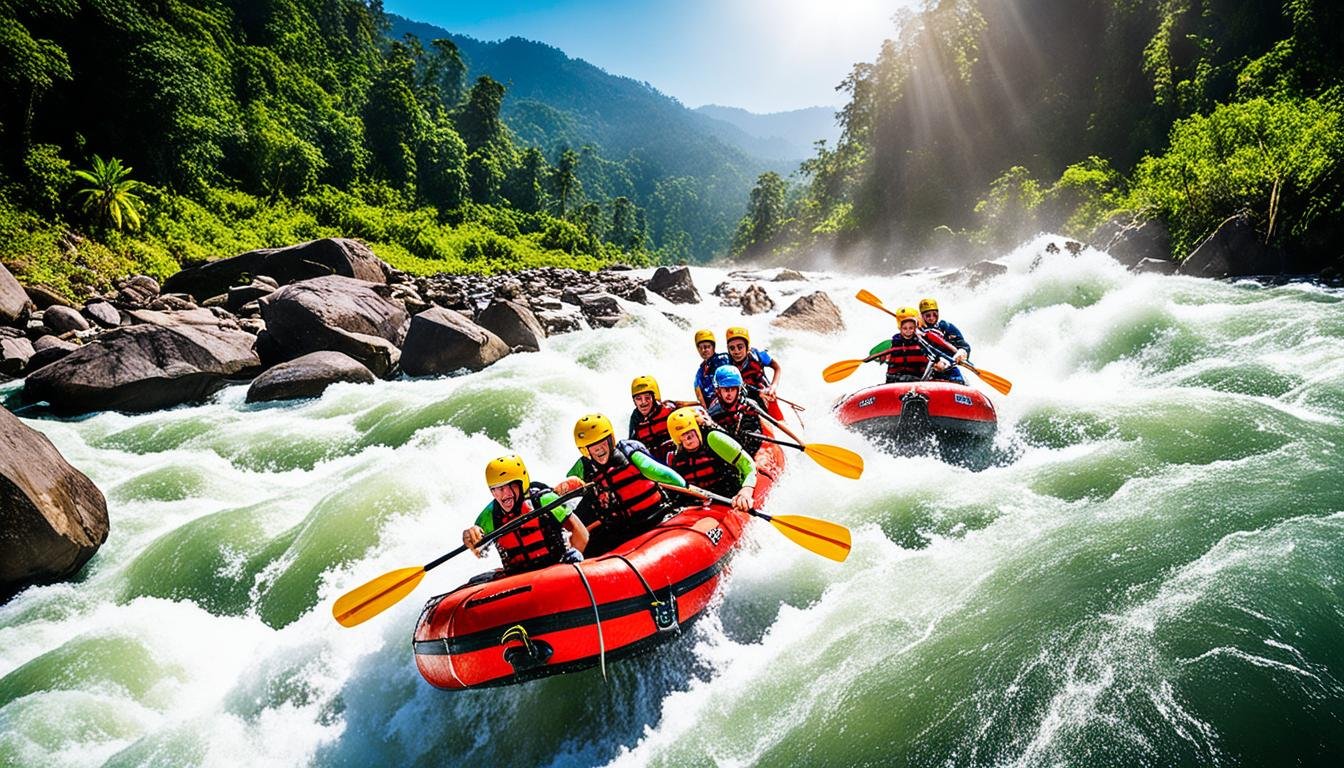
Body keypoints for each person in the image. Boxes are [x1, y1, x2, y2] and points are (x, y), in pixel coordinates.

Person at [553, 413, 686, 555]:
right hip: (621, 528)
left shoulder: (628, 452)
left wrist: (685, 489)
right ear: (585, 450)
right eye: (592, 446)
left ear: (611, 440)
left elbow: (663, 474)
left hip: (656, 516)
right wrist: (562, 489)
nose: (598, 449)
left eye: (602, 442)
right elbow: (567, 483)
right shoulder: (583, 466)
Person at [461, 455, 588, 577]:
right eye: (497, 489)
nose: (504, 494)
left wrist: (573, 556)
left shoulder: (544, 501)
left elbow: (581, 534)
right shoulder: (489, 516)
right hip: (518, 578)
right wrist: (470, 538)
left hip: (554, 568)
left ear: (522, 484)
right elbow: (479, 552)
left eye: (509, 486)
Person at [665, 407, 757, 512]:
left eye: (691, 433)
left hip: (731, 495)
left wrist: (746, 490)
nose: (689, 439)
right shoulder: (676, 460)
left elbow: (749, 466)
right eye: (683, 436)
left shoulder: (714, 439)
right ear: (677, 440)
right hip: (704, 507)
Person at [880, 306, 952, 383]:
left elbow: (936, 355)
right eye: (905, 328)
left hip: (917, 380)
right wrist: (883, 357)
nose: (908, 331)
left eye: (911, 328)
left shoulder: (923, 342)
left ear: (915, 328)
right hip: (895, 380)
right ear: (900, 328)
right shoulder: (894, 343)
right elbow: (881, 358)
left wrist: (942, 363)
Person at [705, 364, 763, 455]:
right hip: (728, 451)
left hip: (749, 447)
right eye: (726, 389)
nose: (729, 394)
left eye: (733, 389)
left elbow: (757, 433)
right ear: (718, 390)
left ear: (739, 389)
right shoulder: (713, 413)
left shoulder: (749, 406)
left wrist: (748, 433)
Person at [724, 326, 781, 408]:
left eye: (740, 347)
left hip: (767, 396)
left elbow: (777, 367)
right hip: (746, 399)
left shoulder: (758, 355)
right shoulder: (727, 365)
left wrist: (773, 386)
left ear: (747, 347)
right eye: (732, 348)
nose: (736, 351)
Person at [628, 375, 675, 459]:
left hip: (673, 456)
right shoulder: (635, 419)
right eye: (638, 398)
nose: (643, 402)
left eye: (647, 397)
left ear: (653, 398)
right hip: (654, 464)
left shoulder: (669, 409)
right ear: (634, 401)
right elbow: (632, 444)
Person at [918, 297, 970, 365]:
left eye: (934, 314)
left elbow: (964, 345)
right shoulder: (918, 331)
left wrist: (961, 352)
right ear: (922, 316)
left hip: (953, 361)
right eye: (928, 315)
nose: (932, 318)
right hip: (933, 365)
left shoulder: (945, 326)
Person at [692, 329, 732, 407]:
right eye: (701, 348)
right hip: (712, 408)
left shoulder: (723, 359)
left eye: (707, 347)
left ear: (713, 347)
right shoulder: (700, 372)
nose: (704, 350)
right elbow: (699, 394)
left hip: (728, 402)